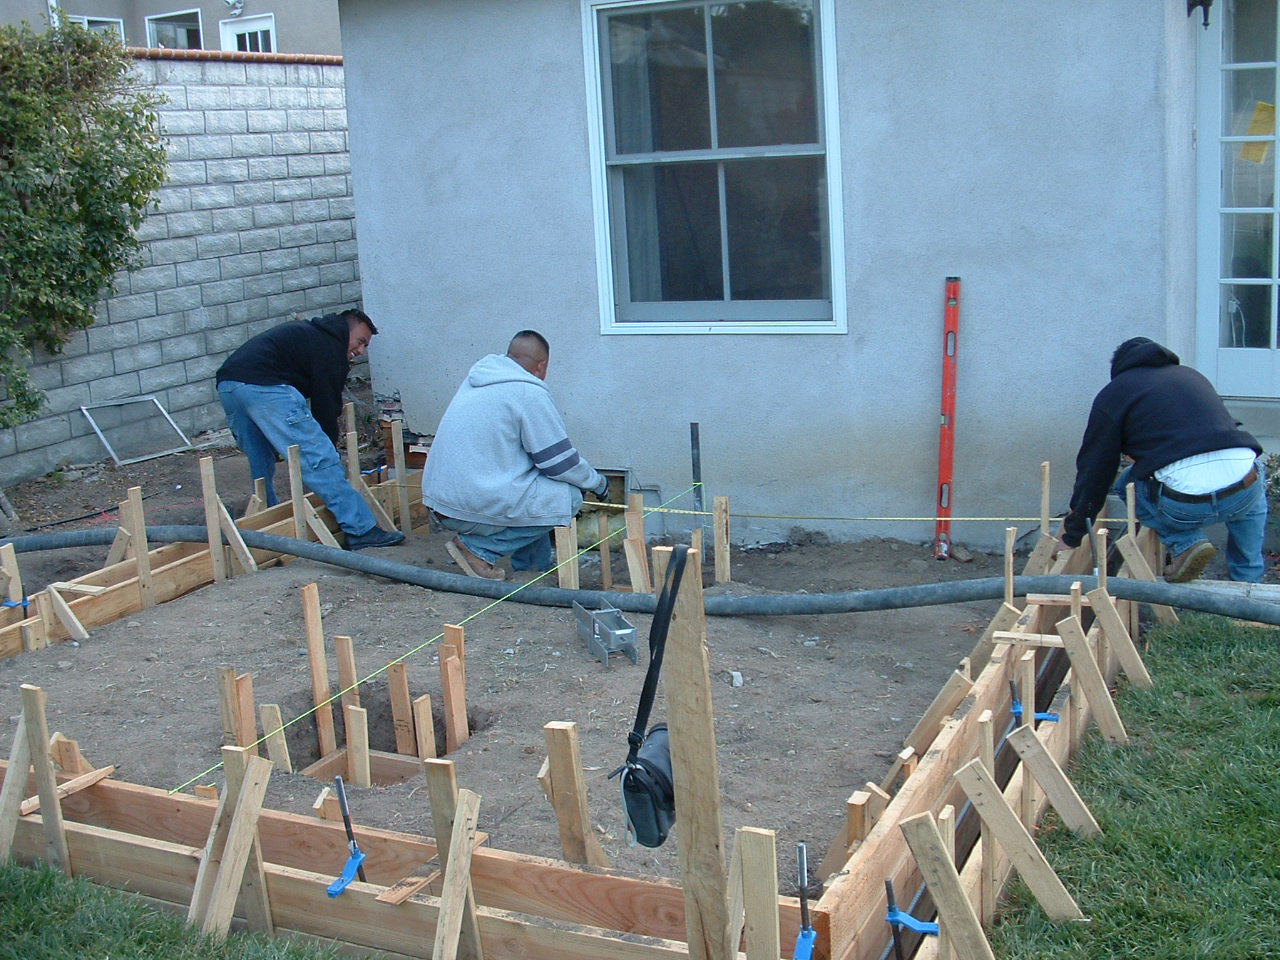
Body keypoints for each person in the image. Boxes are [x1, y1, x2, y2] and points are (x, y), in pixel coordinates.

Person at [1057, 337, 1268, 582]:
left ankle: (1187, 543)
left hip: (1185, 507)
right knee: (1251, 476)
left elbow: (1095, 470)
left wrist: (1072, 535)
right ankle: (1248, 580)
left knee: (1127, 485)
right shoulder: (1191, 376)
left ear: (1119, 368)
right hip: (1243, 493)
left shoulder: (1115, 393)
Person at [422, 330, 611, 580]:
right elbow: (559, 464)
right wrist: (598, 483)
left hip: (442, 501)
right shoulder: (528, 393)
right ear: (542, 365)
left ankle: (533, 569)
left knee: (539, 492)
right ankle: (477, 550)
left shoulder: (479, 380)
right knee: (568, 497)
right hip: (467, 508)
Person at [215, 309, 405, 551]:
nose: (360, 351)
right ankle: (361, 529)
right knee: (318, 456)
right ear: (345, 329)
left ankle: (269, 525)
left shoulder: (311, 335)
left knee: (260, 458)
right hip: (265, 387)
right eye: (360, 341)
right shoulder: (330, 345)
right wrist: (328, 449)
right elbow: (327, 405)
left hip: (230, 386)